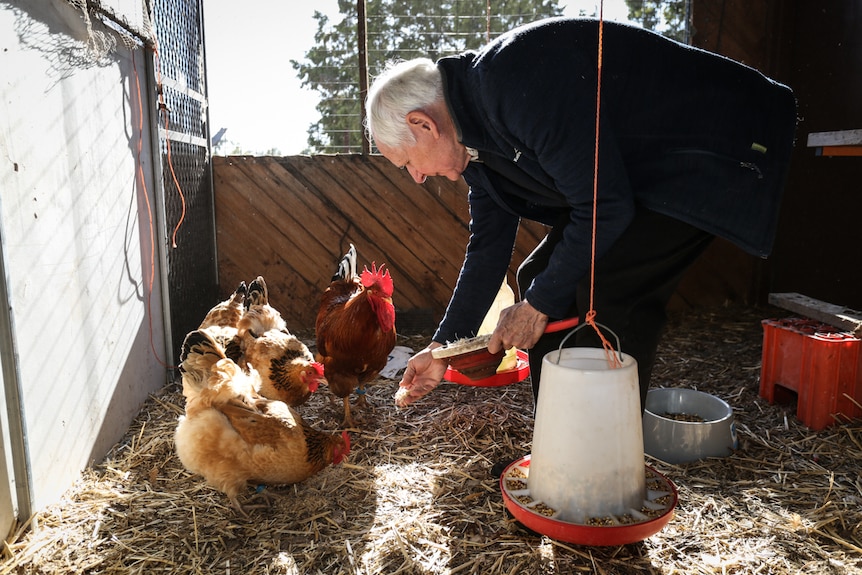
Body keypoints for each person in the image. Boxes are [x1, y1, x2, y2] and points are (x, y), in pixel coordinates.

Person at [369, 18, 796, 417]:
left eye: (407, 162)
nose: (418, 177)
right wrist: (442, 348)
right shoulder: (476, 152)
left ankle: (602, 455)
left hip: (717, 146)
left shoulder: (511, 83)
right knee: (540, 274)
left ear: (423, 124)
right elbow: (486, 252)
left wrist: (537, 306)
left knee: (606, 290)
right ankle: (561, 441)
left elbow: (604, 206)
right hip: (637, 179)